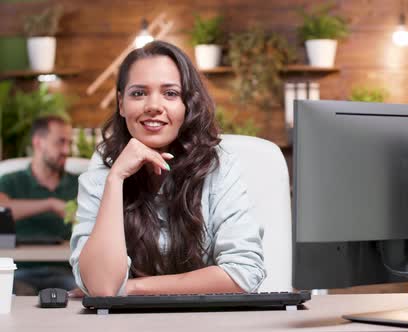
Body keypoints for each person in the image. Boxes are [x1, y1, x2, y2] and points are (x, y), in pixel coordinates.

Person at [69, 40, 265, 297]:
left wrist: (133, 288)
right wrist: (116, 179)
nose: (153, 105)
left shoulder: (218, 167)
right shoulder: (103, 170)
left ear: (187, 105)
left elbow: (244, 273)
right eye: (138, 93)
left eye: (170, 93)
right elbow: (103, 287)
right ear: (121, 103)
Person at [0, 115, 78, 294]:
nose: (66, 150)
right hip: (19, 272)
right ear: (38, 142)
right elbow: (2, 208)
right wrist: (50, 204)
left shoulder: (80, 183)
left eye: (69, 143)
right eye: (60, 142)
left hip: (66, 272)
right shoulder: (11, 181)